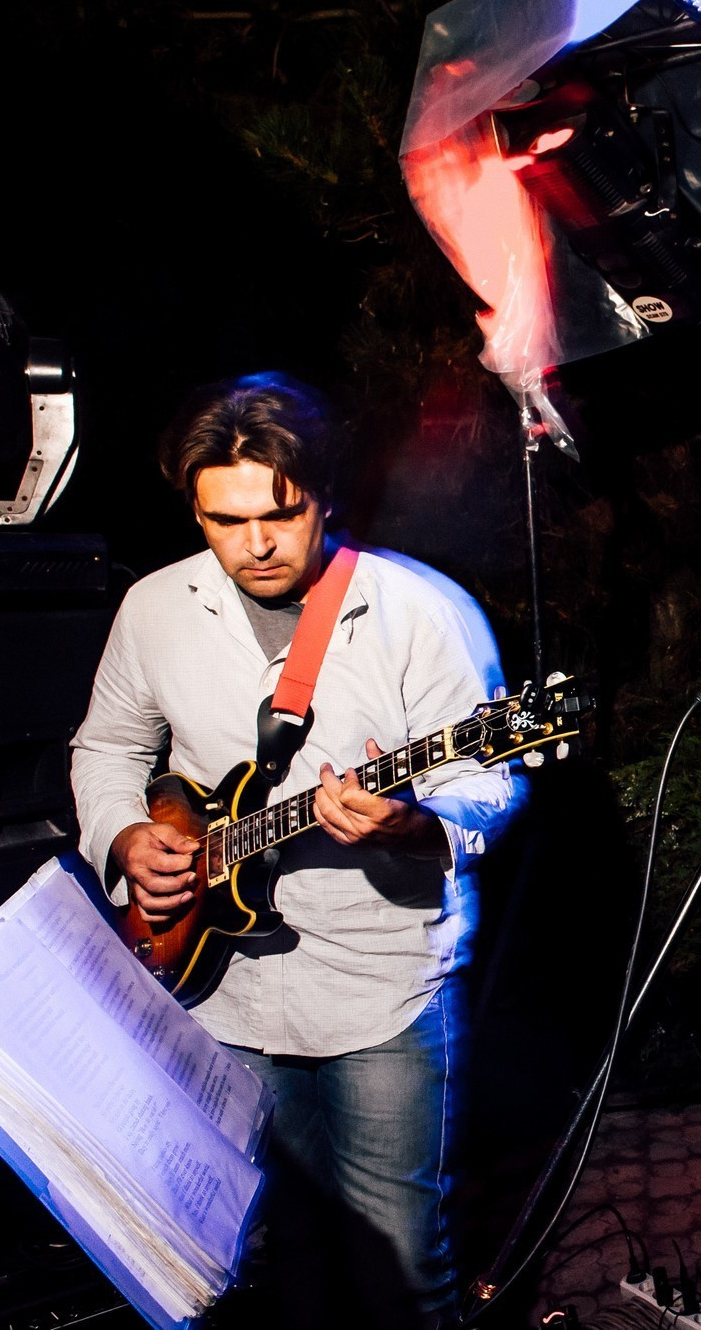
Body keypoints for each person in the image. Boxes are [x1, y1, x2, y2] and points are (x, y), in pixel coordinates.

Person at [70, 374, 524, 1329]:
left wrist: (414, 823)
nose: (256, 544)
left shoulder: (421, 612)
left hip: (381, 988)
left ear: (325, 498)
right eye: (224, 520)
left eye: (281, 514)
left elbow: (489, 780)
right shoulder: (154, 609)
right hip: (221, 989)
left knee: (406, 1267)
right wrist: (125, 835)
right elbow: (107, 748)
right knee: (287, 1256)